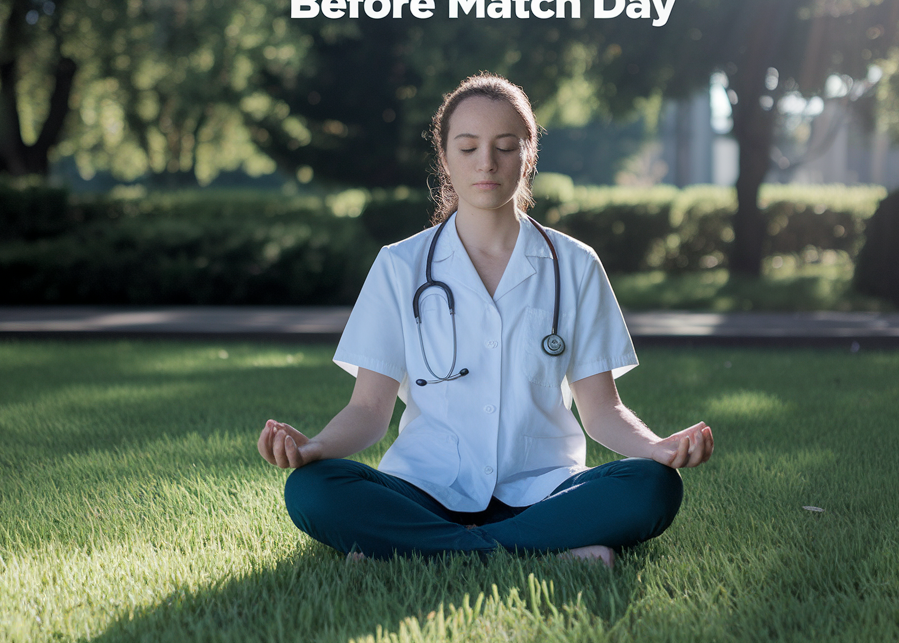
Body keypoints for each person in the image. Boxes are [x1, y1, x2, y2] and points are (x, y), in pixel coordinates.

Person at [257, 73, 714, 567]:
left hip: (545, 487)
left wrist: (657, 448)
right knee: (314, 489)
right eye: (469, 146)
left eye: (505, 146)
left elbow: (602, 410)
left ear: (528, 155)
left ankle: (416, 550)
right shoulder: (399, 265)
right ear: (446, 158)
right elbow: (369, 410)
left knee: (651, 486)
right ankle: (542, 548)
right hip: (425, 486)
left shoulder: (576, 264)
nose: (487, 163)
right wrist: (316, 447)